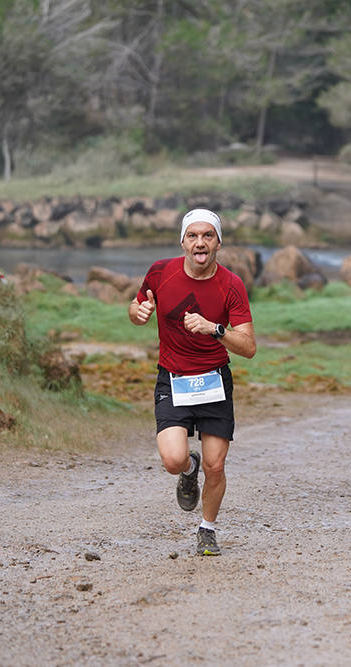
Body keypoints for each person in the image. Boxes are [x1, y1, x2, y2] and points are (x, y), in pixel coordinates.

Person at [128, 208, 256, 556]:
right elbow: (138, 304)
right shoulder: (160, 272)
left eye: (208, 236)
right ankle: (189, 468)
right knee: (172, 460)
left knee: (217, 465)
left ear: (218, 242)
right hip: (173, 378)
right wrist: (137, 313)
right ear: (183, 242)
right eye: (193, 236)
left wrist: (214, 329)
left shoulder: (231, 285)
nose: (200, 242)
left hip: (214, 381)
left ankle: (207, 529)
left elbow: (249, 347)